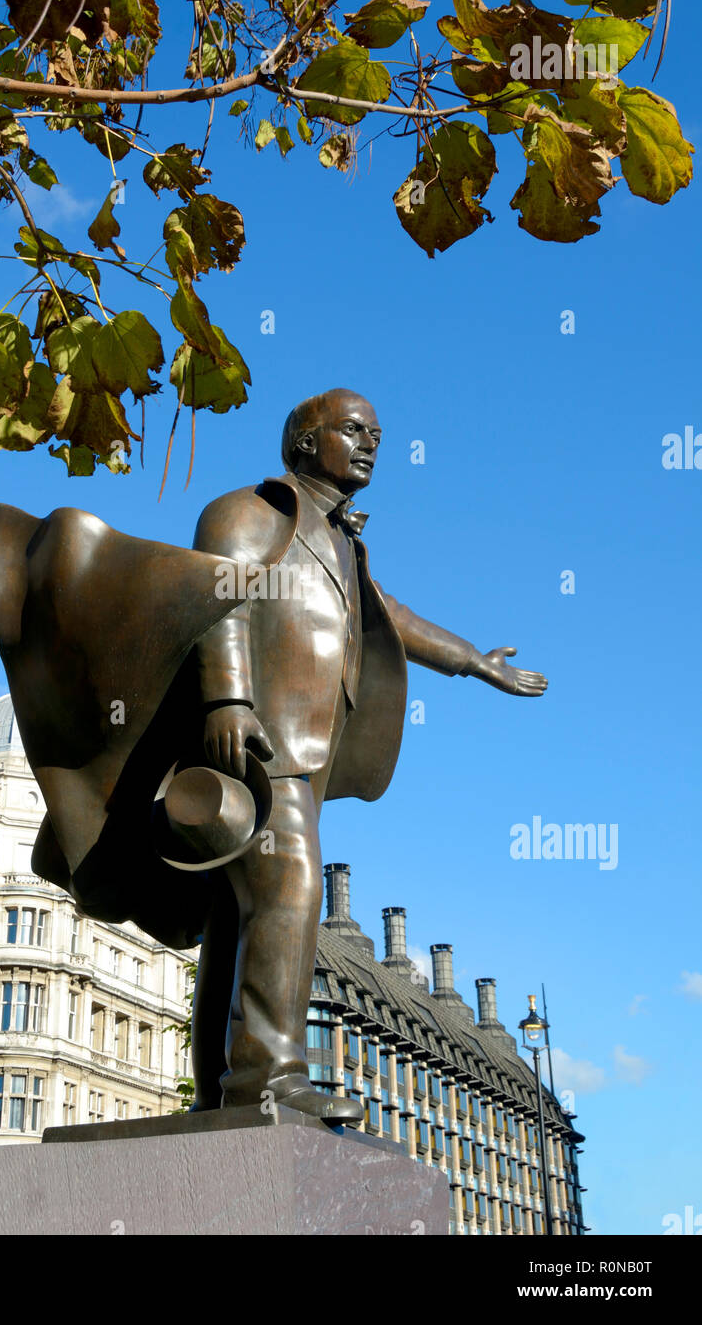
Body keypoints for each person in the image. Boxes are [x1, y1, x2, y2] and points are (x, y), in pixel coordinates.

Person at [185, 388, 547, 1122]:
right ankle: (268, 1081)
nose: (371, 443)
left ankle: (217, 1091)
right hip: (261, 743)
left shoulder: (342, 542)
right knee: (290, 892)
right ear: (302, 441)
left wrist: (474, 661)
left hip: (306, 752)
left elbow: (394, 618)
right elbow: (213, 595)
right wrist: (227, 699)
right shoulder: (251, 512)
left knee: (239, 917)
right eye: (353, 430)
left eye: (377, 432)